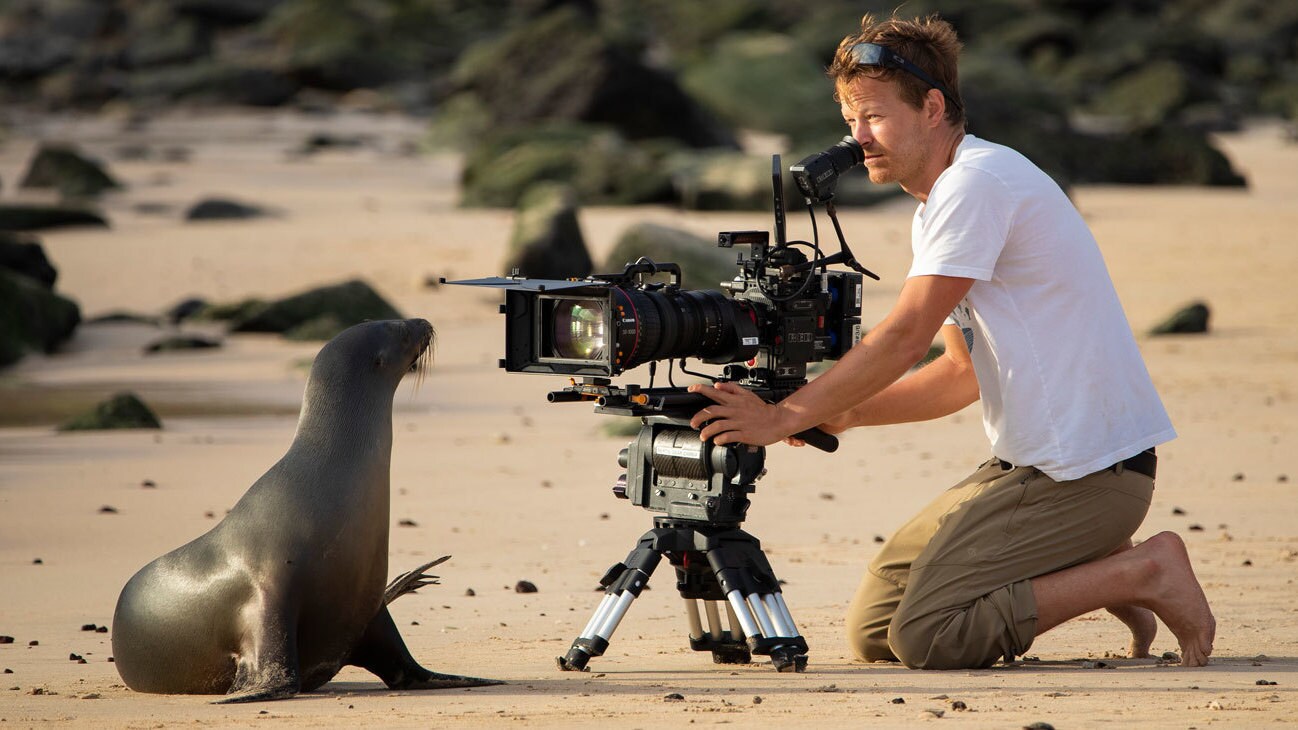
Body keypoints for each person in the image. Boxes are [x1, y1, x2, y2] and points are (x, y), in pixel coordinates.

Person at [687, 13, 1215, 670]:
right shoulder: (943, 199)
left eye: (873, 117)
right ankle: (1103, 557)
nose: (857, 139)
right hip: (1038, 466)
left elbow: (906, 334)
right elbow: (959, 374)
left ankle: (1142, 572)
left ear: (932, 107)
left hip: (1084, 472)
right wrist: (841, 410)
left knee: (931, 636)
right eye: (850, 119)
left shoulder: (977, 185)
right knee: (878, 627)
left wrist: (786, 415)